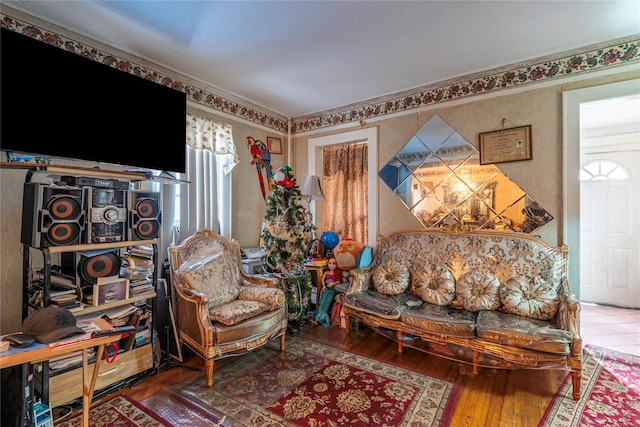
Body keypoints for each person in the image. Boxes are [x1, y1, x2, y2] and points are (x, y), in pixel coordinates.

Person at [310, 257, 342, 326]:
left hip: (331, 291)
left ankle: (318, 320)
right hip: (326, 289)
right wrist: (323, 286)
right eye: (330, 263)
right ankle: (316, 319)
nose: (331, 265)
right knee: (322, 303)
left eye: (334, 263)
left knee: (325, 305)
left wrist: (333, 283)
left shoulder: (336, 273)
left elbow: (339, 281)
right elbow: (322, 280)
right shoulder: (326, 272)